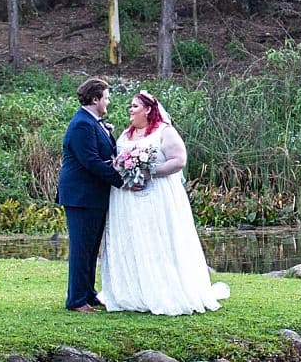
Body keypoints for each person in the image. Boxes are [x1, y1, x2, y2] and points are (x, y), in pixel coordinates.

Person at [98, 90, 230, 315]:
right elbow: (117, 160)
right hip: (127, 198)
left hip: (157, 196)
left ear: (148, 109)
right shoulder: (125, 134)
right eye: (130, 106)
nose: (130, 110)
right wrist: (124, 170)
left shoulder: (164, 132)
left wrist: (150, 171)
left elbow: (179, 160)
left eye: (135, 106)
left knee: (158, 238)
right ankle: (131, 291)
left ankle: (165, 290)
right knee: (133, 240)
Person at [57, 77, 124, 313]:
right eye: (106, 98)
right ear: (95, 99)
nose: (108, 102)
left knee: (91, 247)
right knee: (81, 248)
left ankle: (88, 293)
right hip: (81, 196)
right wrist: (121, 180)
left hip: (92, 196)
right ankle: (76, 300)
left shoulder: (93, 122)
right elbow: (91, 161)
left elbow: (103, 155)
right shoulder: (82, 125)